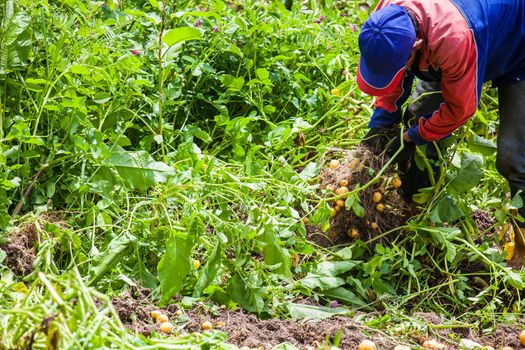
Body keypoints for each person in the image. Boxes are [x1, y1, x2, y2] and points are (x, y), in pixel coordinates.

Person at [355, 0, 525, 268]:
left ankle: (523, 244)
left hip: (518, 44)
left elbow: (460, 109)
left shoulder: (454, 40)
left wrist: (412, 136)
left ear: (416, 48)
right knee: (420, 118)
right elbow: (392, 79)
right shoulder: (384, 22)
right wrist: (381, 123)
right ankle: (413, 210)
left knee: (515, 158)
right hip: (458, 37)